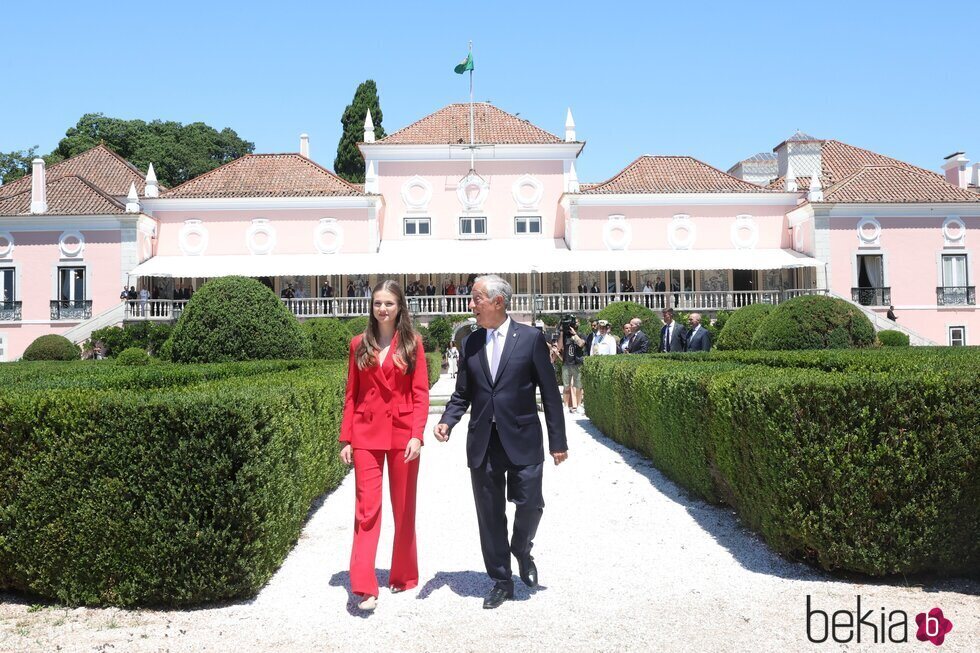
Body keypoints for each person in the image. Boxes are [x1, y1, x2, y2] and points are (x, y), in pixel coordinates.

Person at [434, 274, 567, 610]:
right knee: (489, 514)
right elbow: (463, 392)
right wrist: (447, 420)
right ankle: (501, 580)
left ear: (498, 302)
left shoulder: (531, 338)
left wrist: (558, 441)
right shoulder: (470, 343)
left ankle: (522, 549)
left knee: (530, 503)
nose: (471, 305)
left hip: (523, 438)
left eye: (476, 298)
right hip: (483, 441)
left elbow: (550, 395)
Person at [340, 280, 429, 612]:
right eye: (378, 303)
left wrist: (417, 435)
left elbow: (420, 394)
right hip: (365, 436)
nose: (383, 309)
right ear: (372, 306)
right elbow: (352, 395)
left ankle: (403, 574)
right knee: (367, 510)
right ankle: (364, 585)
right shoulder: (357, 344)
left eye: (389, 303)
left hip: (403, 435)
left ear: (399, 307)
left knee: (404, 508)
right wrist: (346, 438)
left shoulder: (413, 344)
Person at [556, 319, 586, 414]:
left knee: (579, 386)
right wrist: (561, 332)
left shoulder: (581, 334)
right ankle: (565, 405)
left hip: (577, 363)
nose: (574, 324)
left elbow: (581, 344)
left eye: (576, 322)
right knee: (566, 386)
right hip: (567, 363)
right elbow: (559, 347)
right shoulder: (564, 335)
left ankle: (578, 405)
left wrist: (574, 334)